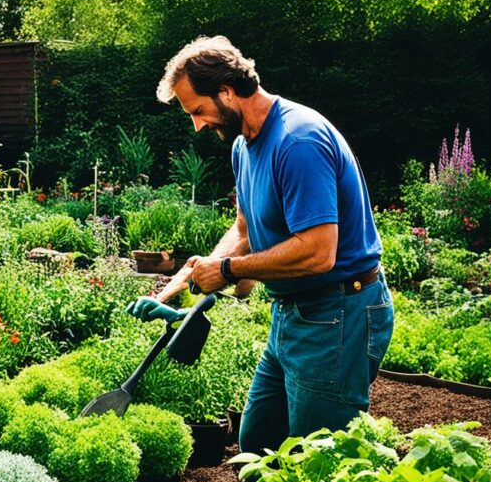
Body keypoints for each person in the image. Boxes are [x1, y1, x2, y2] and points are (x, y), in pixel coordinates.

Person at [125, 36, 394, 454]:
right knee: (257, 447)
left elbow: (318, 251)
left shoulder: (297, 141)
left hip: (338, 313)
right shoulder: (243, 146)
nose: (197, 125)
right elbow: (243, 231)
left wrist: (230, 271)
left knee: (319, 461)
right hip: (291, 315)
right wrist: (177, 289)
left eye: (198, 110)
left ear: (227, 92)